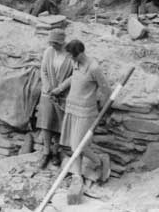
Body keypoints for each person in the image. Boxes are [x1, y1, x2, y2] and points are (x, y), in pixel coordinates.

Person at [51, 40, 111, 199]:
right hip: (72, 109)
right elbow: (73, 78)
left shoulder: (94, 68)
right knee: (72, 145)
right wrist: (59, 89)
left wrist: (103, 110)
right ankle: (77, 176)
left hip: (86, 112)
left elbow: (106, 90)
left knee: (79, 145)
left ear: (78, 53)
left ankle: (100, 161)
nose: (69, 58)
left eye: (70, 55)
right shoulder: (76, 64)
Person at [36, 30, 73, 169]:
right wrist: (47, 86)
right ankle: (46, 152)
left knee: (59, 123)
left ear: (62, 42)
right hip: (48, 92)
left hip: (63, 94)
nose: (53, 46)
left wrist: (60, 88)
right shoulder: (49, 52)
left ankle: (55, 151)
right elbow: (43, 70)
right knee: (46, 122)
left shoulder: (71, 54)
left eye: (56, 44)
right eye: (51, 43)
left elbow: (74, 74)